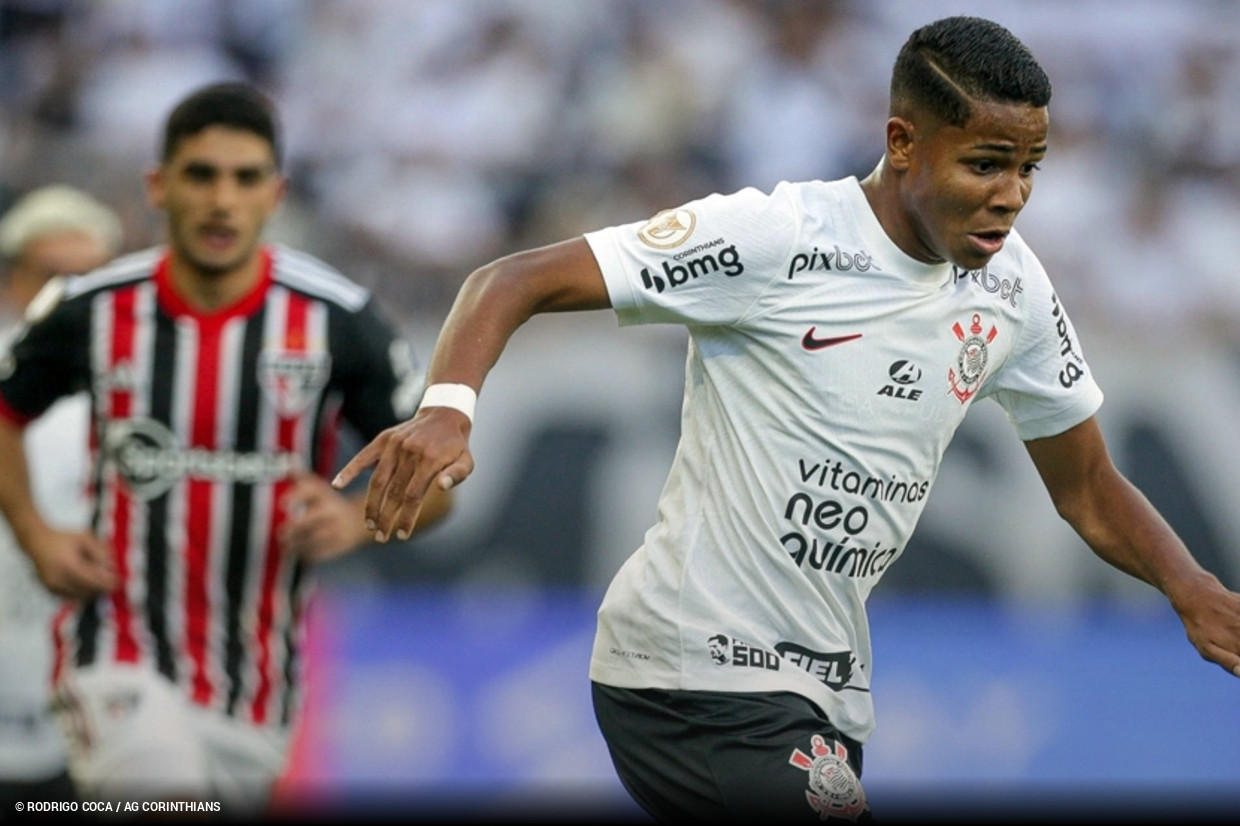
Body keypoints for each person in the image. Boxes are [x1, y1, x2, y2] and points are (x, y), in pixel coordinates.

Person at [334, 15, 1240, 822]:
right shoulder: (779, 237)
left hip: (826, 692)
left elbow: (1086, 487)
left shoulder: (1013, 290)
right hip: (690, 666)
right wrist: (448, 410)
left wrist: (1189, 587)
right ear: (903, 141)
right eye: (985, 164)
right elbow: (512, 277)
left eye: (1029, 168)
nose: (1012, 194)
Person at [0, 82, 452, 818]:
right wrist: (34, 533)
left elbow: (435, 484)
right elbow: (7, 413)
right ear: (159, 186)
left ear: (276, 192)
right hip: (112, 647)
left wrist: (354, 517)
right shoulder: (91, 309)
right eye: (201, 174)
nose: (222, 199)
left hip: (255, 682)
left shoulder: (340, 322)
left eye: (245, 179)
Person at [0, 185, 123, 814]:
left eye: (91, 278)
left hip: (99, 683)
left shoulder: (145, 389)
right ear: (13, 280)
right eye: (53, 276)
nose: (71, 297)